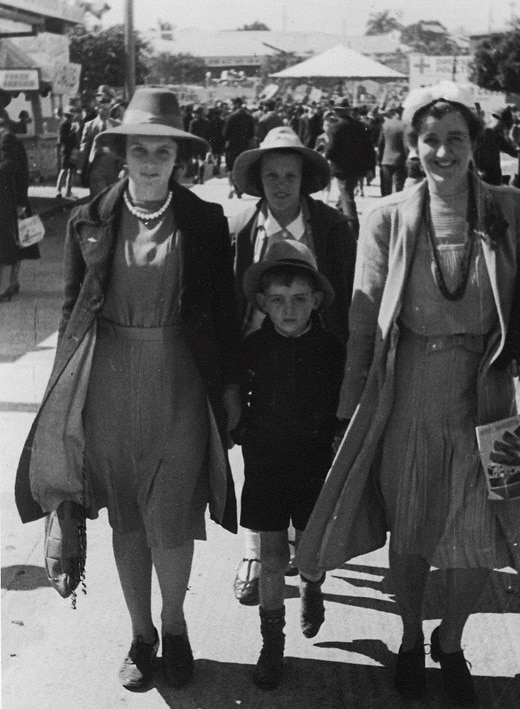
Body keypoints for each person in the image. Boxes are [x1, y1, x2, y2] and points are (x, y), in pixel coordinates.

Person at [297, 81, 520, 706]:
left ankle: (450, 643)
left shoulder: (513, 209)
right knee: (413, 528)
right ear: (412, 144)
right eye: (431, 139)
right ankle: (407, 640)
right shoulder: (386, 217)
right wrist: (350, 407)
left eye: (456, 139)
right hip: (408, 394)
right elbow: (362, 316)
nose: (443, 151)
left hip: (491, 392)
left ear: (474, 144)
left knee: (488, 528)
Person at [15, 88, 241, 692]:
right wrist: (63, 400)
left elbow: (224, 309)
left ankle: (176, 624)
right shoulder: (90, 220)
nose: (149, 161)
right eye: (138, 149)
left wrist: (231, 386)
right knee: (127, 520)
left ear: (178, 158)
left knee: (172, 516)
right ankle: (141, 636)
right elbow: (70, 316)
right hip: (109, 382)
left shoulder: (205, 221)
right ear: (121, 154)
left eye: (161, 151)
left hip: (181, 384)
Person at [230, 126, 356, 605]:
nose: (281, 184)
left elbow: (346, 295)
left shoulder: (330, 226)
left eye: (290, 175)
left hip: (312, 353)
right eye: (271, 175)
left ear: (304, 179)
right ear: (257, 180)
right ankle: (255, 554)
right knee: (258, 456)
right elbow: (228, 302)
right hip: (258, 354)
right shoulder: (244, 227)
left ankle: (309, 557)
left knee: (307, 461)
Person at [234, 240, 345, 689]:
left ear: (316, 300)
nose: (289, 309)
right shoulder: (253, 348)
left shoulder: (332, 350)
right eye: (277, 301)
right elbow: (237, 399)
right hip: (266, 464)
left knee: (312, 552)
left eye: (300, 299)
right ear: (262, 303)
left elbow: (344, 407)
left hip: (314, 463)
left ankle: (313, 586)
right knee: (274, 556)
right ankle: (271, 645)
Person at [325, 99, 375, 237]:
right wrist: (370, 166)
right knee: (346, 194)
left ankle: (353, 227)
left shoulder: (335, 127)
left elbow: (331, 149)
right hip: (357, 167)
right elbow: (369, 147)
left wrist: (326, 157)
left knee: (347, 196)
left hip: (341, 167)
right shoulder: (360, 126)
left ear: (337, 111)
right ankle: (340, 220)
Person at [0, 116, 36, 301]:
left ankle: (5, 286)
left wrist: (20, 202)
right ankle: (12, 282)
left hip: (10, 200)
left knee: (10, 242)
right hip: (8, 198)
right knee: (13, 241)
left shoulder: (7, 138)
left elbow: (8, 169)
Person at [78, 84, 122, 198]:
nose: (104, 110)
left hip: (113, 168)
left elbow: (121, 146)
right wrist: (81, 171)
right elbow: (84, 148)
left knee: (112, 199)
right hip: (96, 168)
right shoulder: (89, 126)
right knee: (98, 199)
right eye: (102, 107)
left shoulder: (117, 125)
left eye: (107, 108)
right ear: (97, 109)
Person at [223, 97, 255, 198]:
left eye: (233, 104)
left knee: (231, 167)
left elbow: (225, 133)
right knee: (241, 167)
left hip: (232, 146)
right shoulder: (249, 116)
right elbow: (252, 133)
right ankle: (240, 188)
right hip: (244, 146)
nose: (232, 106)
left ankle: (233, 187)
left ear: (237, 104)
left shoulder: (231, 116)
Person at [377, 106, 407, 196]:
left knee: (386, 188)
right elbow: (406, 145)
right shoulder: (405, 126)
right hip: (400, 160)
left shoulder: (386, 125)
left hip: (386, 160)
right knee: (399, 187)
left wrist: (379, 158)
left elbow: (381, 143)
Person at [55, 110, 79, 199]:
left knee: (71, 171)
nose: (71, 118)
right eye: (69, 116)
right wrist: (72, 132)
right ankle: (58, 191)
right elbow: (62, 139)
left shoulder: (71, 124)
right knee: (64, 170)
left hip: (72, 150)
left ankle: (68, 191)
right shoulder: (64, 125)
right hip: (66, 150)